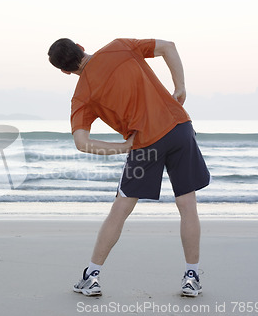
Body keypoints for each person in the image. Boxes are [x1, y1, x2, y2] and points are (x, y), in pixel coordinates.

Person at [47, 38, 211, 297]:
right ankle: (191, 277)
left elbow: (82, 143)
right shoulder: (119, 46)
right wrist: (179, 87)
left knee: (121, 209)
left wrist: (123, 147)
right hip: (179, 127)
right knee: (187, 204)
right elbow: (169, 46)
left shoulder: (81, 96)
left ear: (65, 71)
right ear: (80, 46)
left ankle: (92, 277)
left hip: (145, 143)